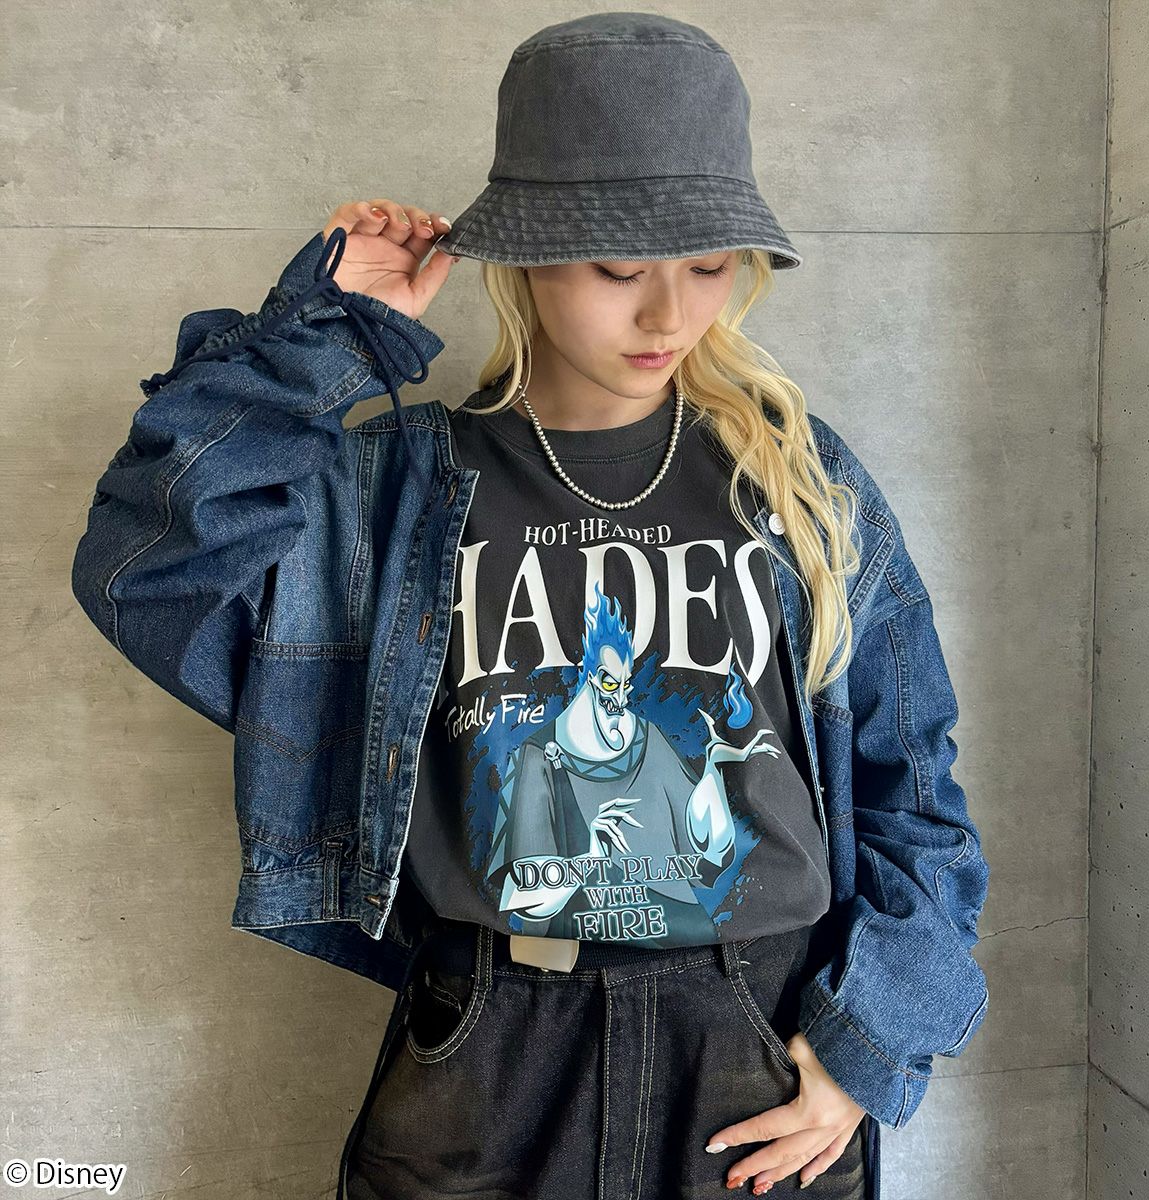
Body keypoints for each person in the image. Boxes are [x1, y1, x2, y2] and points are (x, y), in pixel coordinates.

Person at [71, 13, 990, 1200]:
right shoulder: (393, 491)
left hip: (753, 1054)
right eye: (618, 269)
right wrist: (330, 335)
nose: (670, 316)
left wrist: (870, 1045)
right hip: (489, 1052)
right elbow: (148, 570)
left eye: (708, 264)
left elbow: (912, 781)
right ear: (527, 257)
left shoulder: (796, 480)